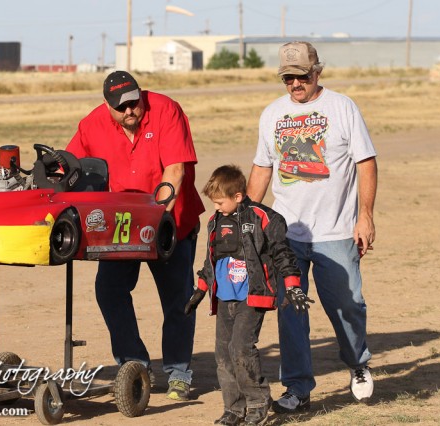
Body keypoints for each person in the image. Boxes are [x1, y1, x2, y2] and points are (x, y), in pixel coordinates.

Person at [246, 41, 378, 413]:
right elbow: (262, 168)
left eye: (302, 76)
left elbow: (366, 162)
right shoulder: (272, 113)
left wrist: (365, 215)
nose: (295, 84)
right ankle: (297, 387)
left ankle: (357, 363)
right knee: (291, 310)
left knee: (348, 305)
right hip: (286, 234)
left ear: (317, 71)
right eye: (287, 78)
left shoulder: (342, 107)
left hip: (336, 231)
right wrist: (247, 220)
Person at [66, 70, 205, 401]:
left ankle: (178, 373)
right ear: (107, 105)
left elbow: (176, 169)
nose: (129, 110)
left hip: (171, 222)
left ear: (141, 95)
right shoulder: (91, 125)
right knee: (109, 291)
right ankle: (135, 366)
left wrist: (157, 219)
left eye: (134, 102)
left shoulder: (166, 110)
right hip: (122, 227)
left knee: (178, 299)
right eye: (121, 106)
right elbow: (70, 170)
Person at [184, 165, 312, 426]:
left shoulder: (264, 218)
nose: (216, 207)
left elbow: (282, 253)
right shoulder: (215, 221)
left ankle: (257, 402)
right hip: (224, 298)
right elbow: (210, 260)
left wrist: (293, 285)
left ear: (238, 196)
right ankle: (234, 408)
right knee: (223, 354)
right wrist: (200, 290)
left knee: (241, 348)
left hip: (251, 297)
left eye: (220, 202)